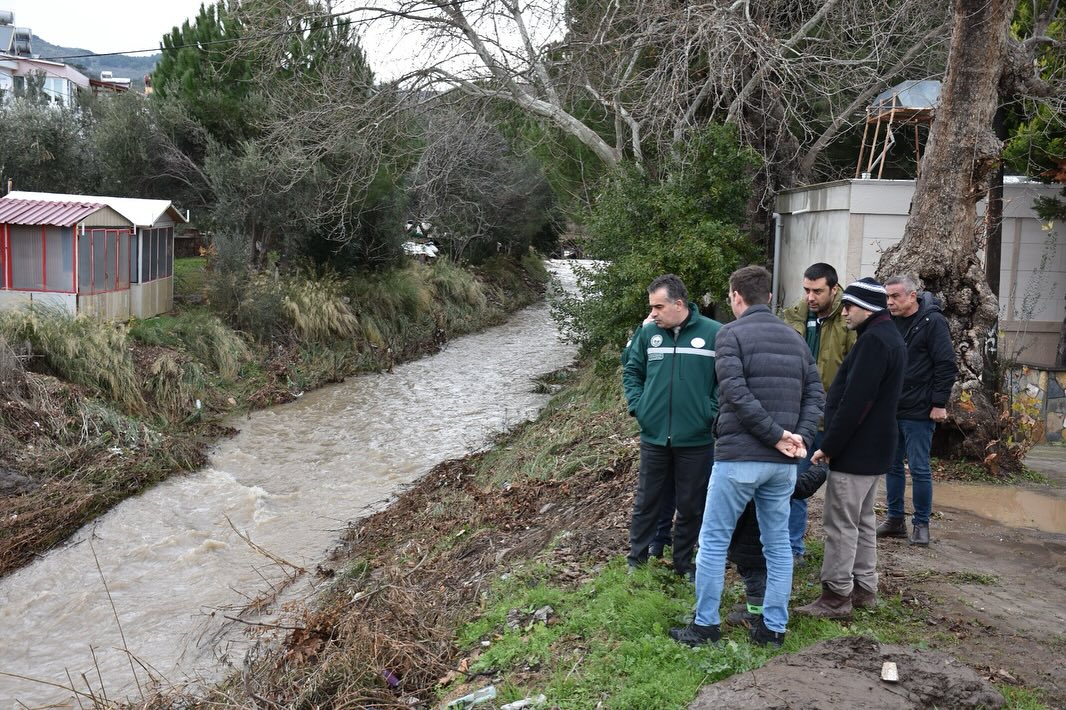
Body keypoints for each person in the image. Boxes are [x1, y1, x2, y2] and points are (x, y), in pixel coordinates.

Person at [670, 265, 824, 648]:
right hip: (783, 465)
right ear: (769, 298)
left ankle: (705, 625)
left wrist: (777, 437)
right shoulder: (796, 339)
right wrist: (798, 438)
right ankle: (773, 629)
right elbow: (816, 396)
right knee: (778, 545)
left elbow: (735, 395)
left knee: (714, 541)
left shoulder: (729, 335)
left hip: (738, 459)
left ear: (736, 297)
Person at [794, 277, 906, 618]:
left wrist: (828, 446)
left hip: (856, 451)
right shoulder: (889, 337)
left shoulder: (874, 341)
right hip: (875, 451)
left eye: (849, 306)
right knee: (862, 521)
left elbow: (856, 403)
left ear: (867, 308)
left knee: (840, 524)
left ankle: (836, 596)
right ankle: (863, 588)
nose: (844, 312)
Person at [623, 274, 721, 579]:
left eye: (658, 306)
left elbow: (726, 381)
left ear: (679, 304)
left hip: (696, 439)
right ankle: (636, 561)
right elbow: (631, 370)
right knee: (646, 501)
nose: (652, 313)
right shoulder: (648, 333)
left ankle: (683, 564)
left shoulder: (715, 334)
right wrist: (640, 407)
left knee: (691, 505)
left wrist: (710, 412)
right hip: (654, 437)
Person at [782, 263, 856, 567]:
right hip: (799, 418)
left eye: (817, 291)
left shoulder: (847, 320)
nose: (810, 297)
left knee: (841, 492)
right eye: (806, 290)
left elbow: (855, 370)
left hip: (834, 419)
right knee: (794, 484)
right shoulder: (795, 316)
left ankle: (840, 558)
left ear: (833, 289)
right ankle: (791, 548)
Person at [877, 274, 958, 546]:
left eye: (895, 296)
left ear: (912, 296)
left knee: (920, 469)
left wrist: (939, 403)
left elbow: (946, 364)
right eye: (887, 297)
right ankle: (895, 519)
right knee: (891, 466)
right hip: (892, 408)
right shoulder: (889, 320)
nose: (890, 302)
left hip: (921, 410)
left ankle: (921, 524)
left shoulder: (932, 321)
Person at [724, 463, 828, 629]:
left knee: (755, 582)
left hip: (746, 544)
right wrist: (821, 469)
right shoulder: (777, 475)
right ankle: (760, 607)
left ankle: (755, 614)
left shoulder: (741, 473)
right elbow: (803, 486)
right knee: (760, 579)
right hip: (763, 539)